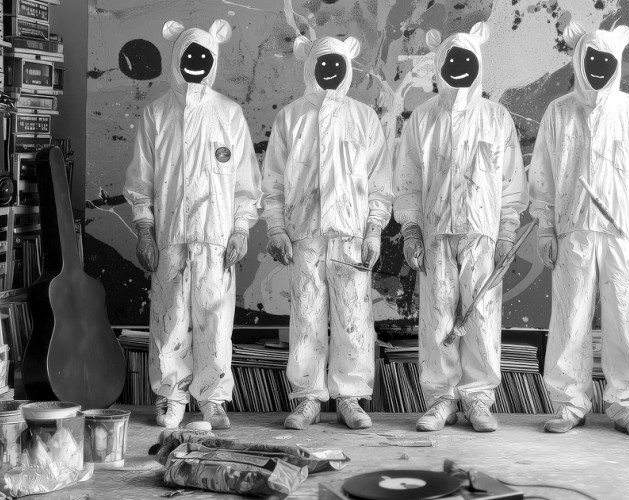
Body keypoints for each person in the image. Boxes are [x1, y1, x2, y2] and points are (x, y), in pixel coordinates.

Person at [528, 21, 629, 438]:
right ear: (578, 59)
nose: (597, 65)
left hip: (623, 236)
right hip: (572, 232)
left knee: (625, 320)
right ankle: (569, 403)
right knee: (569, 320)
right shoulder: (559, 113)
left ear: (617, 63)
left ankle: (625, 404)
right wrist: (545, 228)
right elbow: (543, 176)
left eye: (606, 59)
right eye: (590, 57)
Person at [124, 19, 262, 430]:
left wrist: (241, 228)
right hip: (169, 236)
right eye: (190, 54)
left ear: (213, 60)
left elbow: (246, 183)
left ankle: (213, 400)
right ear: (177, 57)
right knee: (169, 319)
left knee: (215, 323)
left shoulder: (229, 114)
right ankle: (171, 396)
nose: (196, 61)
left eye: (204, 55)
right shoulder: (156, 113)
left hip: (216, 238)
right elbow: (141, 180)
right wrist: (144, 229)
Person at [393, 22, 528, 433]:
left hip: (481, 237)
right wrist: (411, 231)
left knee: (481, 317)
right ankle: (441, 400)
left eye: (467, 59)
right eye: (451, 59)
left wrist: (506, 232)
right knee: (438, 319)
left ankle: (479, 400)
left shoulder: (496, 119)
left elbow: (511, 184)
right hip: (436, 236)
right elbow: (408, 181)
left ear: (478, 63)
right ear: (439, 64)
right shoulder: (422, 119)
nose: (459, 66)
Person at [261, 34, 393, 430]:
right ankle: (307, 398)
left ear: (348, 67)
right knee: (306, 316)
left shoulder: (364, 117)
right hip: (305, 234)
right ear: (310, 66)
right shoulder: (290, 118)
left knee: (354, 317)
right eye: (323, 63)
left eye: (338, 63)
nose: (331, 70)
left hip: (351, 235)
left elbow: (379, 182)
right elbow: (273, 182)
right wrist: (276, 227)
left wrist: (374, 229)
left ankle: (350, 397)